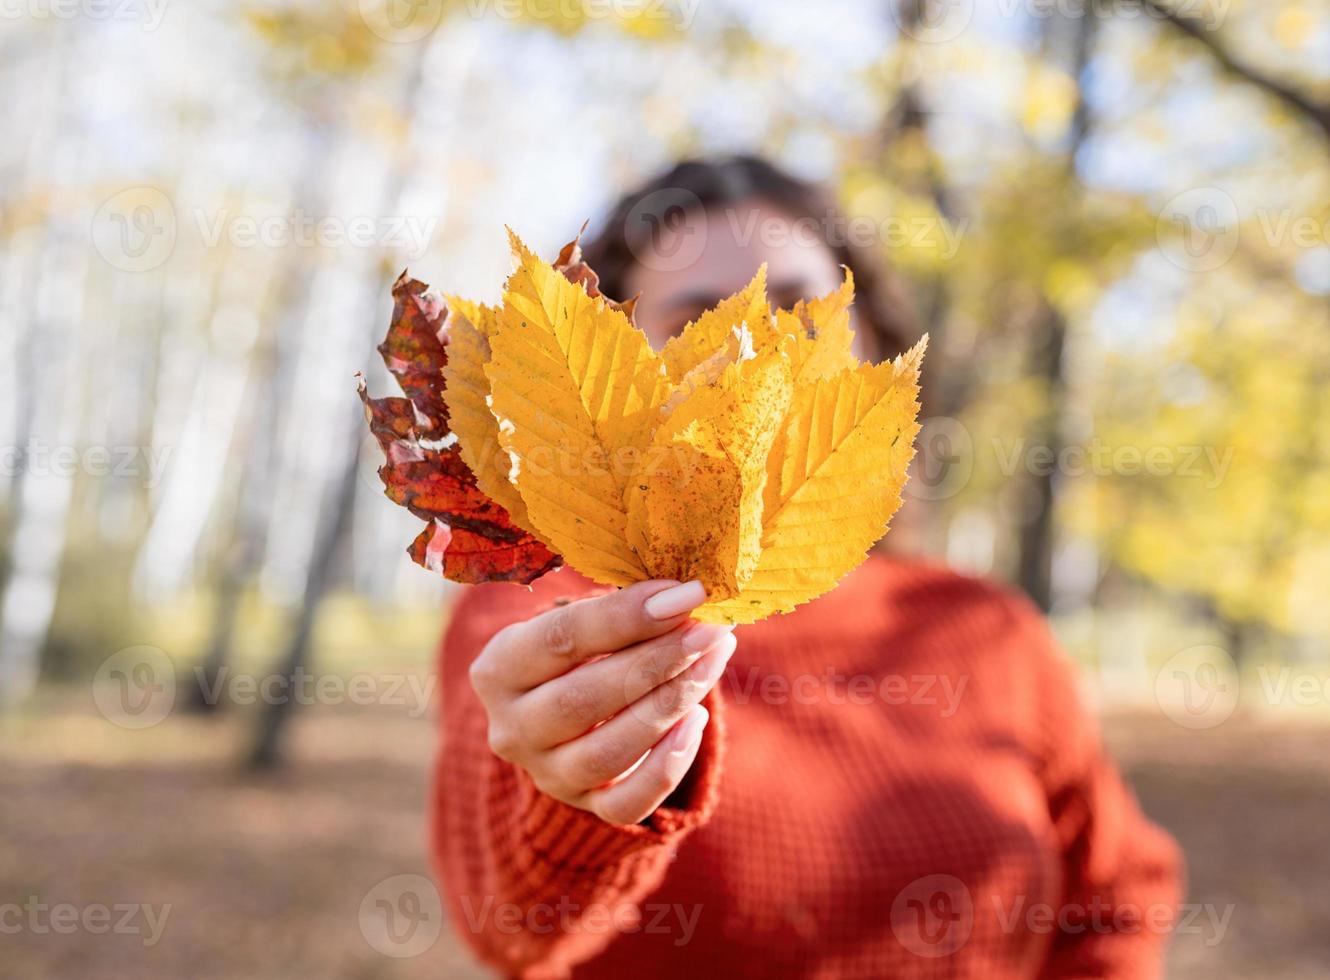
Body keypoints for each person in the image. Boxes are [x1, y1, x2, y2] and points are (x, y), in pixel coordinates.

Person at [430, 155, 1182, 978]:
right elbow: (509, 925)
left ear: (871, 344)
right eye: (698, 316)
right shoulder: (548, 615)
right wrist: (569, 791)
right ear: (614, 374)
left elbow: (1113, 903)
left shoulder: (988, 630)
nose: (754, 344)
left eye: (799, 306)